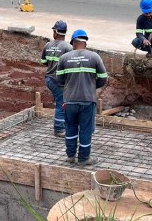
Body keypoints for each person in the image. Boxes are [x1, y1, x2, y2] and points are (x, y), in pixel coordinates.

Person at [56, 29, 108, 166]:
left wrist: (69, 85)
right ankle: (83, 158)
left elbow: (59, 80)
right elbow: (104, 78)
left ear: (73, 43)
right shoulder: (94, 57)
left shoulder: (64, 58)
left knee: (70, 127)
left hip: (70, 100)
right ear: (85, 43)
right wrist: (92, 86)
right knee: (85, 129)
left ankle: (70, 156)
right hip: (87, 100)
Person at [40, 20, 73, 137]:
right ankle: (59, 129)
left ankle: (64, 125)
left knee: (61, 102)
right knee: (61, 104)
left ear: (55, 32)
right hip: (59, 81)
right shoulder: (68, 48)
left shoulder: (47, 45)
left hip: (49, 79)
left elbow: (44, 61)